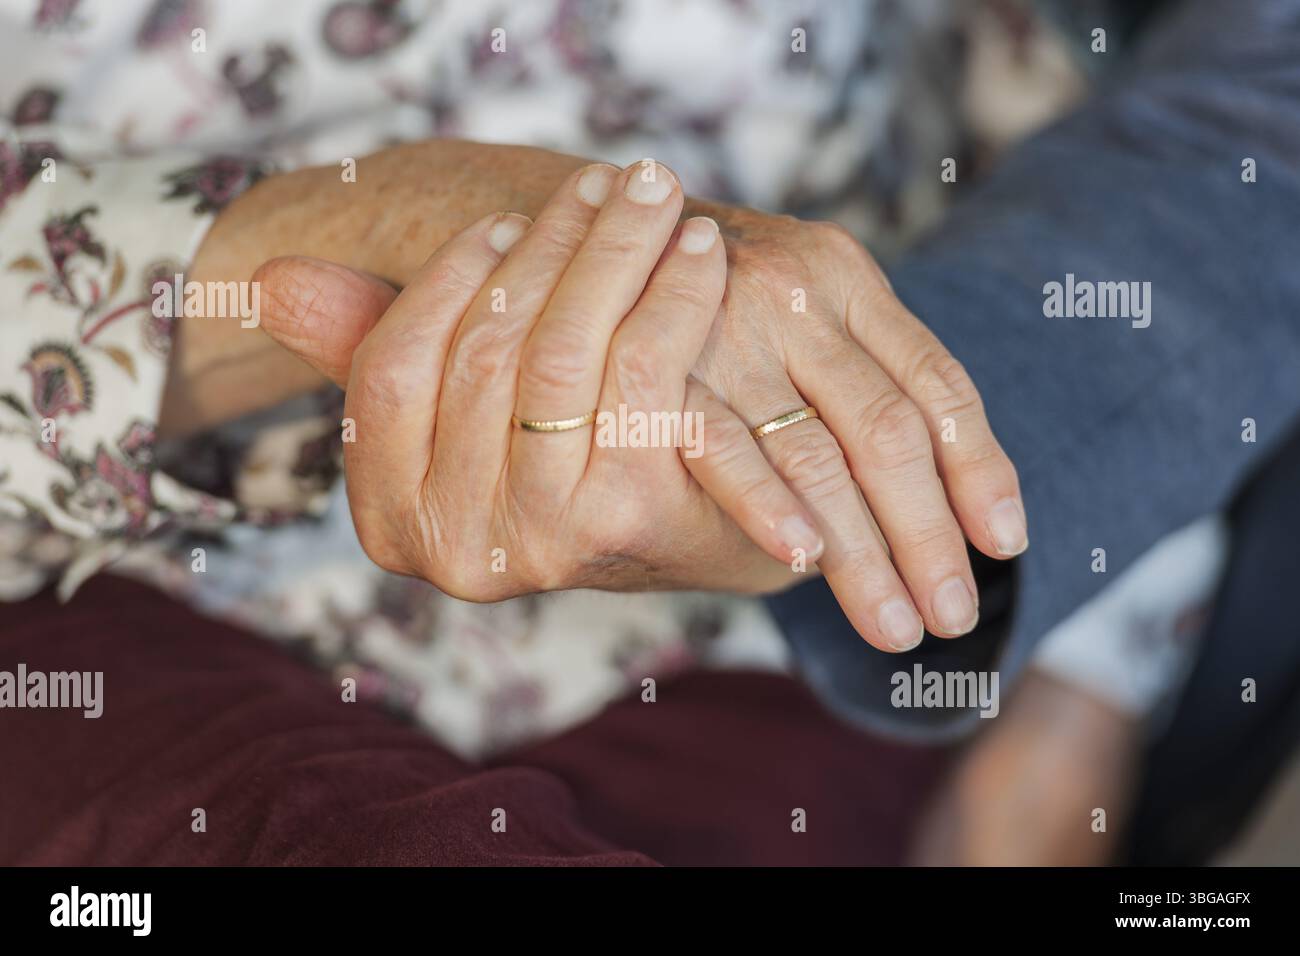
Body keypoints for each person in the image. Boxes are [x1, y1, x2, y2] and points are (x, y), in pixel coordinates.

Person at [3, 0, 1299, 864]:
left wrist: (1081, 655)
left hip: (774, 633)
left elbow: (1195, 132)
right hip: (108, 578)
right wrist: (407, 217)